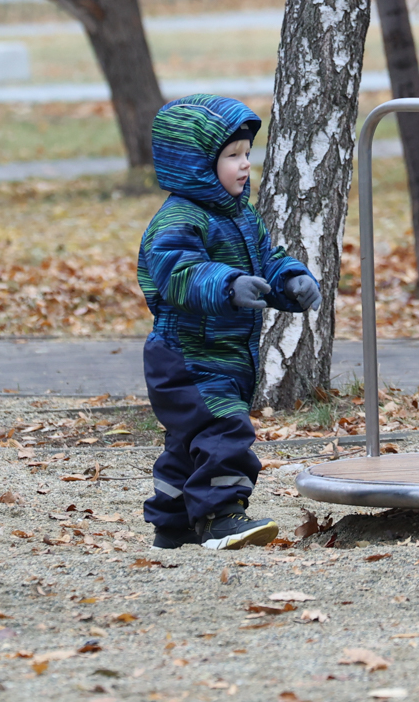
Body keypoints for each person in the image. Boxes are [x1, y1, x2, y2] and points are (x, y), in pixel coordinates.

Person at [137, 95, 321, 550]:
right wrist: (227, 284)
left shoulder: (241, 215)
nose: (244, 165)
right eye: (231, 156)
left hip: (221, 355)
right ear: (197, 164)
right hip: (186, 357)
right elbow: (179, 274)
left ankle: (173, 523)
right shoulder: (178, 220)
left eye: (246, 154)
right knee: (225, 430)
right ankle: (222, 517)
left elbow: (268, 259)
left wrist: (291, 281)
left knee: (189, 443)